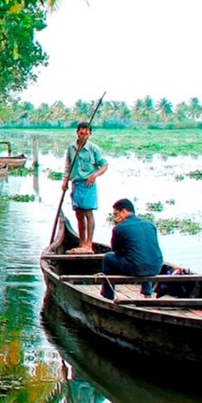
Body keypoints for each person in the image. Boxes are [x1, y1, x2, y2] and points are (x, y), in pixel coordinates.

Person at [101, 198, 165, 297]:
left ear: (123, 212)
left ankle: (108, 295)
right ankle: (147, 293)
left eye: (116, 214)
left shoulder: (119, 228)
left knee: (108, 257)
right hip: (156, 266)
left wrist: (117, 227)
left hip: (135, 267)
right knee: (144, 255)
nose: (115, 217)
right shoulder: (150, 225)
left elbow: (115, 250)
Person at [65, 121, 109, 251]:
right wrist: (65, 181)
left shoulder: (93, 149)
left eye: (86, 134)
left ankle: (88, 244)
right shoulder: (71, 148)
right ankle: (81, 242)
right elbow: (68, 166)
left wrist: (94, 175)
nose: (83, 136)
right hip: (76, 183)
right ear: (77, 132)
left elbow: (104, 166)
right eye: (81, 133)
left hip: (88, 184)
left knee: (88, 214)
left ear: (90, 134)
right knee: (79, 215)